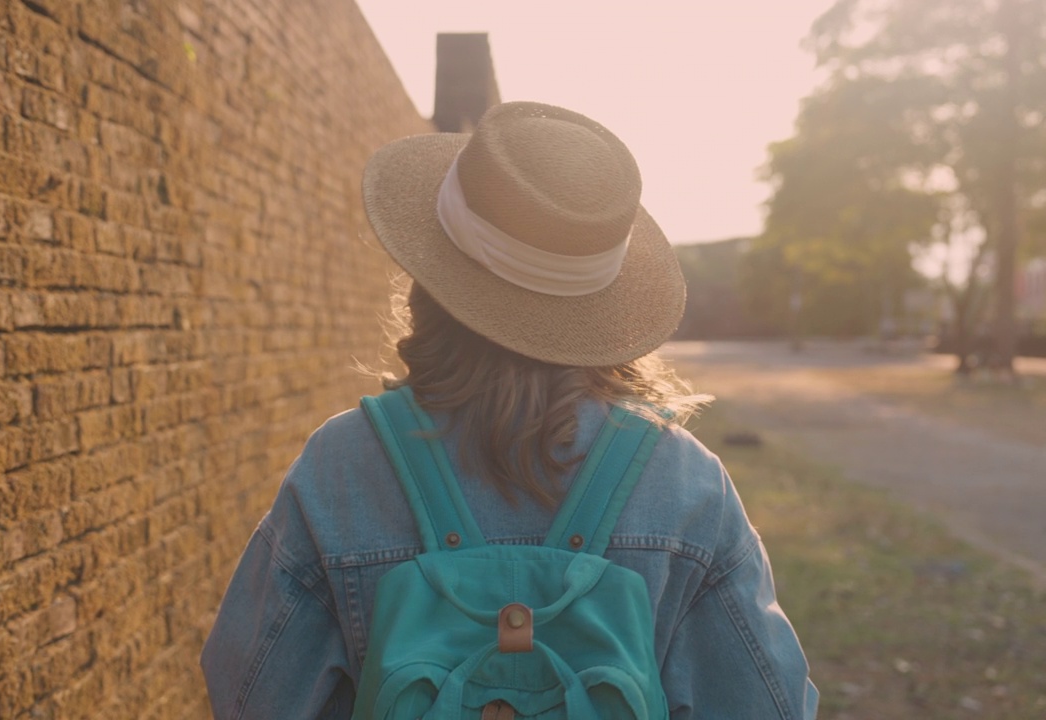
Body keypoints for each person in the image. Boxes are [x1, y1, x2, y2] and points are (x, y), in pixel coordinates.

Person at [200, 101, 819, 719]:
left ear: (429, 284)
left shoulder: (339, 469)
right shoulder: (686, 485)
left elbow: (249, 696)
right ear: (604, 307)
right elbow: (770, 705)